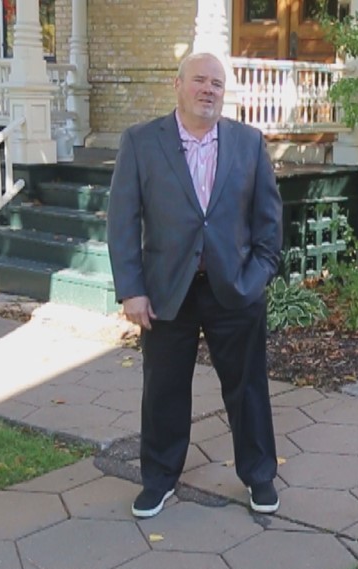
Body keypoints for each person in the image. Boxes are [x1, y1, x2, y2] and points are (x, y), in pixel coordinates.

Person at [107, 52, 283, 519]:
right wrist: (132, 289)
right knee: (163, 389)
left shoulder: (248, 143)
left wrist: (258, 276)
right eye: (200, 81)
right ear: (178, 84)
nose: (209, 90)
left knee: (247, 389)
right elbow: (123, 221)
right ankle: (159, 479)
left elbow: (268, 221)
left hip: (234, 289)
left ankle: (259, 475)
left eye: (217, 84)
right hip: (166, 292)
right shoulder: (142, 142)